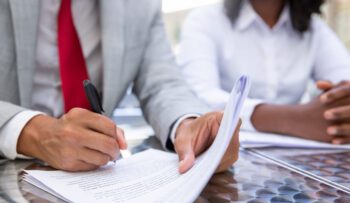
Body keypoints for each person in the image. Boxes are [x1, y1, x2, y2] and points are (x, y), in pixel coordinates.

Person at [0, 0, 241, 174]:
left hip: (95, 182)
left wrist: (189, 125)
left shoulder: (141, 6)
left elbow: (162, 81)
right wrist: (34, 132)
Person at [178, 0, 350, 144]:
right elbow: (196, 97)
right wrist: (294, 119)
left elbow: (345, 81)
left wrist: (338, 107)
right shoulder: (206, 20)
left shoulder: (314, 30)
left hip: (298, 160)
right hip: (230, 156)